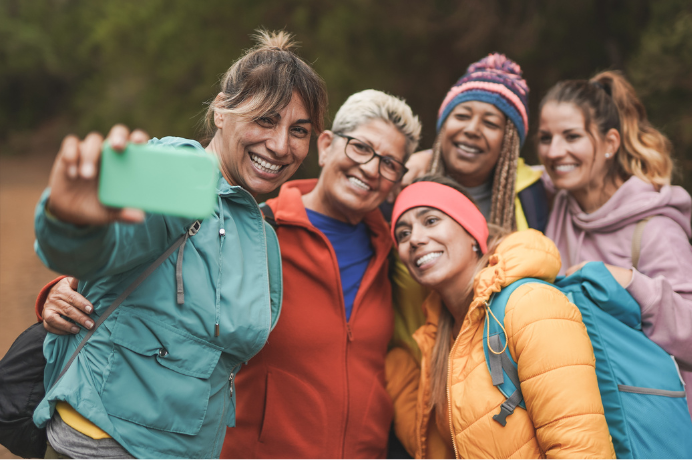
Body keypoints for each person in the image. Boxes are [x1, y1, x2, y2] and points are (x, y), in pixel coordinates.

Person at [37, 90, 422, 458]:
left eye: (389, 163)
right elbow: (121, 253)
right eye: (360, 147)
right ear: (326, 146)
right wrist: (58, 283)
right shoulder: (261, 228)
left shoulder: (400, 253)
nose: (371, 168)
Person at [30, 30, 327, 459]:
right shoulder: (181, 175)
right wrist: (72, 220)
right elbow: (101, 247)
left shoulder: (259, 229)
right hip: (105, 443)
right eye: (265, 119)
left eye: (298, 130)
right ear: (222, 111)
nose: (281, 145)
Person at [536, 71, 692, 458]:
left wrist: (632, 283)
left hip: (652, 430)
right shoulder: (555, 201)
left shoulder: (653, 230)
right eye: (545, 137)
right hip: (584, 432)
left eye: (571, 136)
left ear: (609, 144)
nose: (555, 152)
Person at [385, 176, 615, 459]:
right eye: (403, 234)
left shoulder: (529, 304)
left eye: (430, 221)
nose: (415, 239)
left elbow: (579, 448)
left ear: (472, 233)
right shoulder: (437, 337)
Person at [391, 53, 549, 360]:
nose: (472, 129)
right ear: (443, 124)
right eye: (461, 116)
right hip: (418, 370)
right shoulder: (403, 190)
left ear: (509, 140)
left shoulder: (533, 195)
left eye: (490, 122)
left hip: (504, 368)